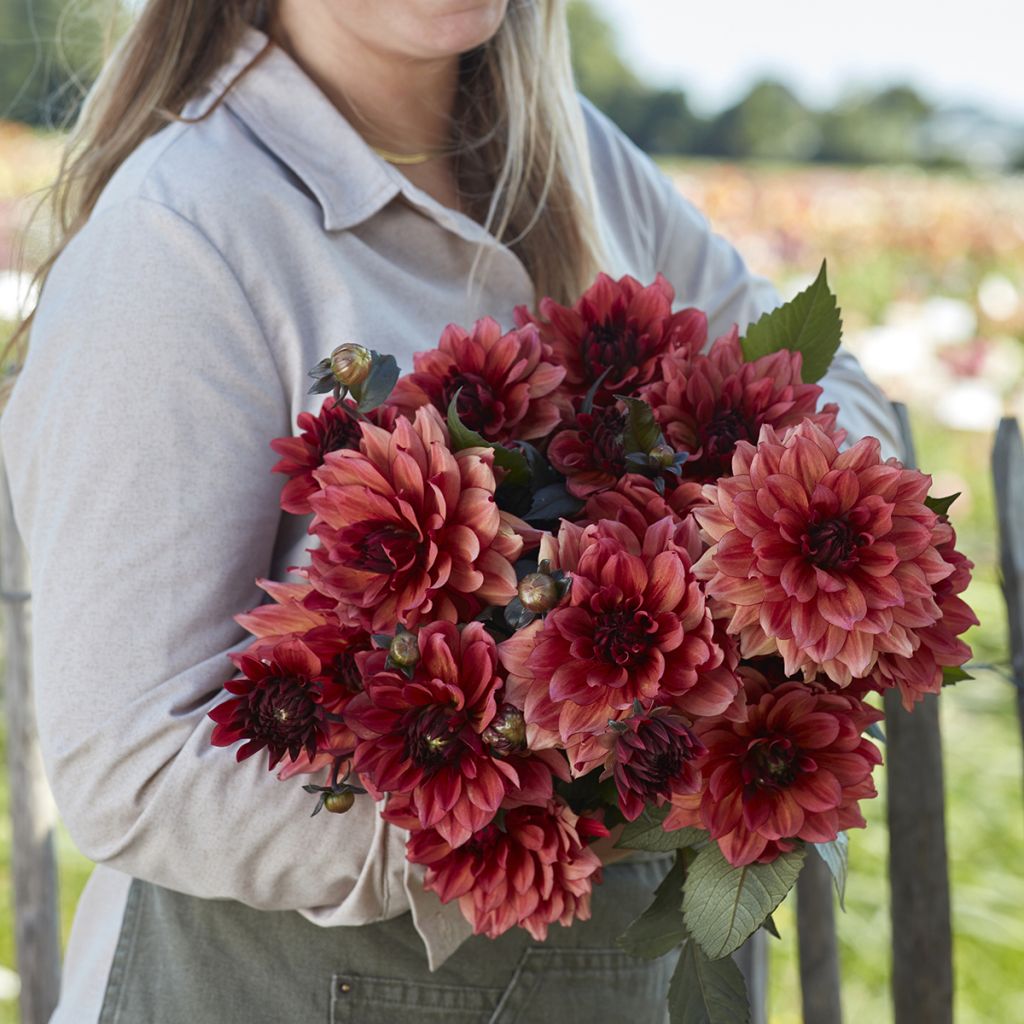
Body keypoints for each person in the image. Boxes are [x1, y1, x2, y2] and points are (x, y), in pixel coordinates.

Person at [0, 1, 903, 1021]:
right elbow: (135, 766)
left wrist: (763, 569)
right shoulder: (184, 234)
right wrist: (510, 800)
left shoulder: (573, 158)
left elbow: (838, 397)